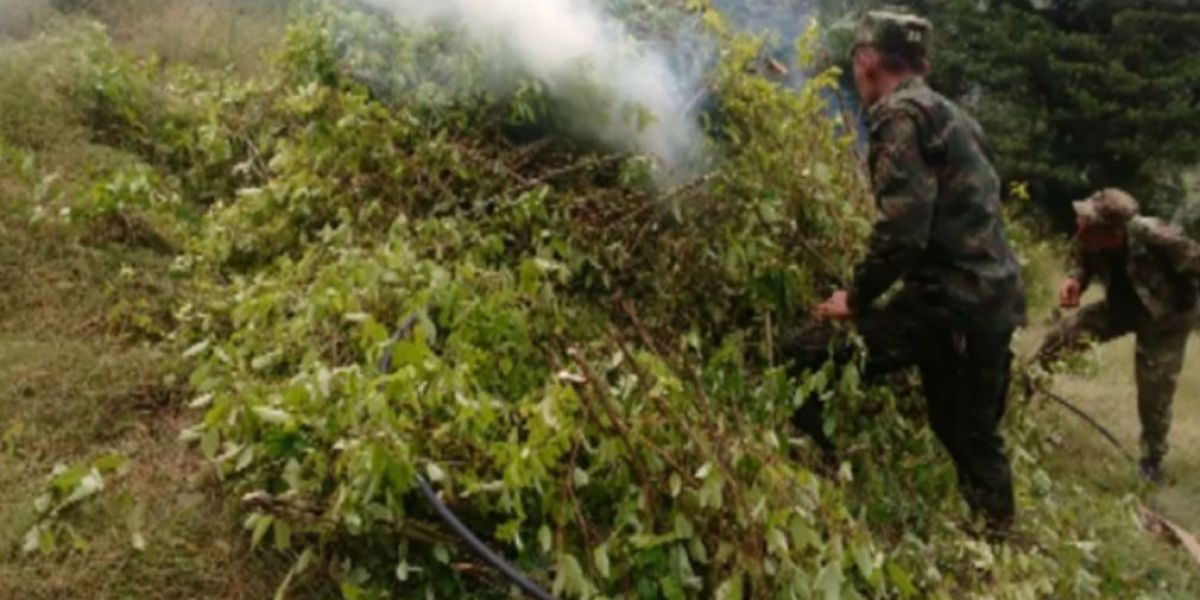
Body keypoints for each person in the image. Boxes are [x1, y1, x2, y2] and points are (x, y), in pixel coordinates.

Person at [785, 10, 1027, 535]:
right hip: (993, 298)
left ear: (867, 61)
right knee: (968, 431)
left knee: (806, 355)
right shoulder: (955, 117)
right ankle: (996, 545)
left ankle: (812, 495)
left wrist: (855, 296)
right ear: (921, 62)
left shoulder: (899, 117)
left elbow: (902, 231)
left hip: (950, 301)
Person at [1037, 188, 1200, 483]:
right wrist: (1075, 279)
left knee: (1155, 391)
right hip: (1122, 306)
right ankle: (1018, 394)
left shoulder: (1162, 239)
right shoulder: (1090, 233)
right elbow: (1080, 257)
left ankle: (1152, 462)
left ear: (1112, 232)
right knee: (1062, 336)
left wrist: (1183, 305)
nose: (1079, 225)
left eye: (1087, 222)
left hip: (1166, 319)